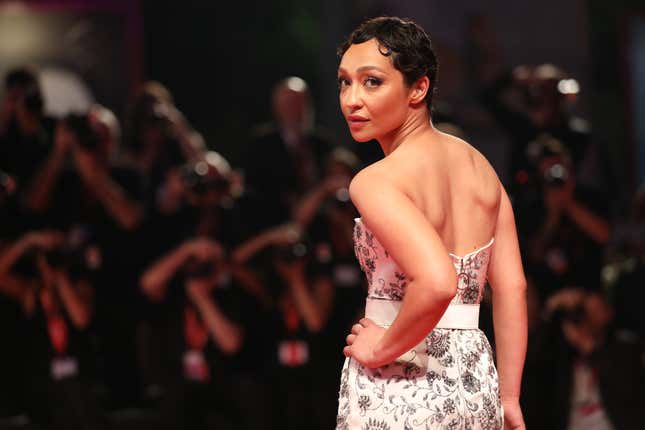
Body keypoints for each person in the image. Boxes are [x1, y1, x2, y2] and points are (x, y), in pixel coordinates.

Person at [334, 17, 527, 429]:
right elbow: (511, 287)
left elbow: (438, 282)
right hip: (475, 380)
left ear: (418, 88)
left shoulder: (375, 181)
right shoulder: (480, 167)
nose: (351, 99)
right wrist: (508, 397)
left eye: (371, 82)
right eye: (344, 82)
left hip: (400, 379)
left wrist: (380, 348)